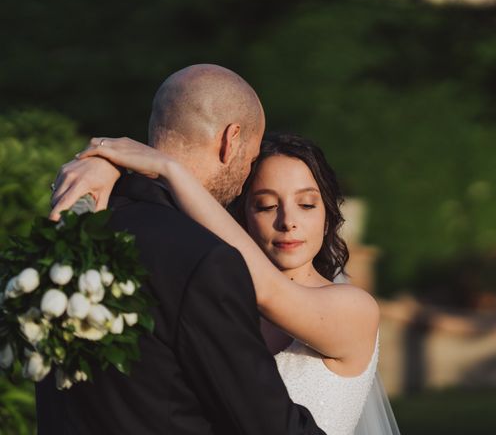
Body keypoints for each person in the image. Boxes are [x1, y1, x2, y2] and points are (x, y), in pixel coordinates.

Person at [52, 132, 401, 435]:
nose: (288, 221)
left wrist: (168, 168)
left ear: (327, 219)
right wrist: (107, 167)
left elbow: (268, 292)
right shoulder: (220, 301)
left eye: (307, 204)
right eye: (266, 206)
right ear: (242, 218)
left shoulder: (355, 309)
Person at [40, 64, 326, 435]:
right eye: (251, 159)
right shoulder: (205, 258)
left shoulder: (69, 229)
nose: (244, 182)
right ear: (231, 140)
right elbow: (267, 424)